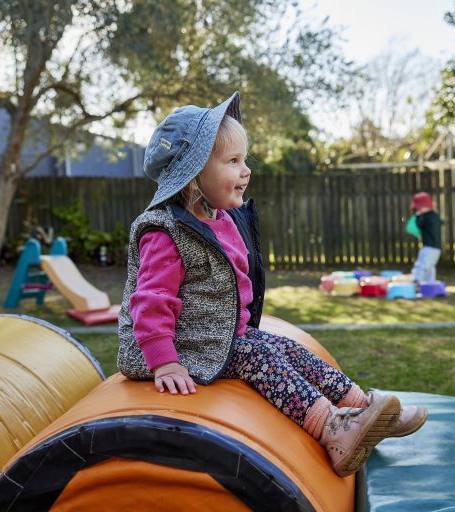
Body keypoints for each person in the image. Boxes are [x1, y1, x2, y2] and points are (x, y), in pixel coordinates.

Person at [118, 92, 427, 477]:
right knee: (261, 360)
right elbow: (150, 300)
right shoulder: (165, 232)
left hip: (219, 336)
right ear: (195, 173)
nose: (246, 170)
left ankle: (365, 410)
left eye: (244, 160)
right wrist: (164, 362)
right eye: (233, 162)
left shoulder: (222, 218)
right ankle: (332, 429)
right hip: (177, 347)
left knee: (288, 349)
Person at [410, 192, 442, 283]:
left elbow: (419, 225)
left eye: (418, 208)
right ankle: (429, 285)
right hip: (436, 248)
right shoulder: (435, 215)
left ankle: (417, 283)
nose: (418, 210)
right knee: (430, 268)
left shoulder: (425, 216)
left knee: (422, 265)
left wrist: (418, 216)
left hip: (428, 246)